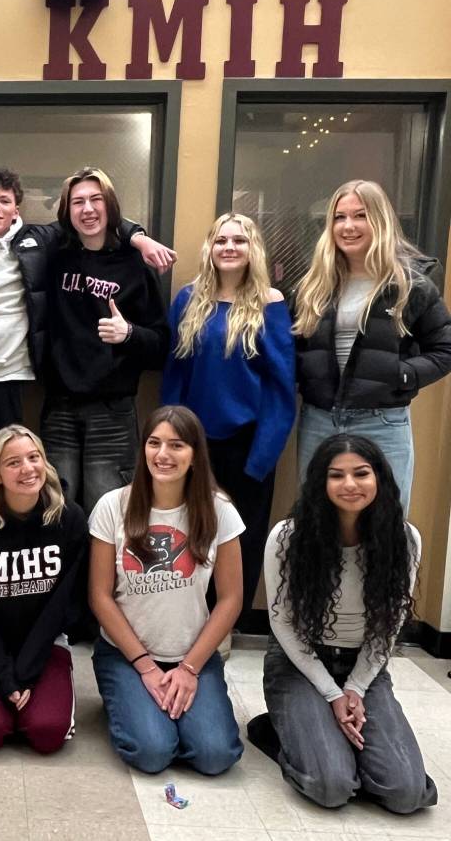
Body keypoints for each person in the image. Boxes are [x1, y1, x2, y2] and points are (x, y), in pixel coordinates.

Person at [0, 166, 167, 592]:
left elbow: (95, 219)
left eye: (5, 200)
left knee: (34, 502)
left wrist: (138, 236)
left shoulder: (38, 243)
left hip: (26, 390)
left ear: (18, 207)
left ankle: (47, 604)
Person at [248, 435, 437, 813]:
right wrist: (332, 695)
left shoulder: (405, 539)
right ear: (321, 482)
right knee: (332, 788)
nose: (350, 484)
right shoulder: (287, 536)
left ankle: (331, 741)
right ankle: (281, 727)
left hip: (363, 668)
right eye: (337, 475)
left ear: (379, 478)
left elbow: (389, 628)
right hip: (299, 664)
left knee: (406, 794)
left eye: (361, 473)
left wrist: (354, 688)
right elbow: (282, 623)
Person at [89, 405, 244, 774]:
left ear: (194, 455)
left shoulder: (219, 509)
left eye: (176, 445)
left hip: (193, 654)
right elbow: (99, 596)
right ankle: (135, 705)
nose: (163, 455)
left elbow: (231, 598)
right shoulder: (113, 506)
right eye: (154, 443)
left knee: (215, 755)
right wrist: (144, 666)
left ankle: (168, 711)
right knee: (153, 753)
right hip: (126, 655)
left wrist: (189, 668)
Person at [162, 213, 295, 632]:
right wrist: (169, 439)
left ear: (252, 248)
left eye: (239, 240)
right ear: (210, 248)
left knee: (241, 538)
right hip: (193, 443)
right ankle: (187, 622)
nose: (230, 247)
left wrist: (263, 456)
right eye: (221, 240)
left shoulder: (269, 304)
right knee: (189, 532)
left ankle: (225, 629)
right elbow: (175, 373)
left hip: (249, 442)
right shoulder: (188, 299)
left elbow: (280, 387)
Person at [293, 179, 451, 511]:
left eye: (360, 216)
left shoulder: (411, 284)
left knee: (387, 529)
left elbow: (445, 349)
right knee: (316, 526)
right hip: (319, 420)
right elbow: (296, 348)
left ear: (379, 220)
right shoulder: (314, 284)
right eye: (339, 217)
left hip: (383, 422)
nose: (348, 226)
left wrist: (400, 374)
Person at [0, 425, 88, 754]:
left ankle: (20, 699)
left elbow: (65, 606)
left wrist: (24, 672)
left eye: (33, 457)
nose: (27, 469)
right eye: (13, 462)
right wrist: (2, 674)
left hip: (43, 642)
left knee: (48, 734)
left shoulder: (69, 519)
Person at [43, 166, 170, 513]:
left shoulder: (134, 263)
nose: (87, 209)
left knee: (107, 516)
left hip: (112, 414)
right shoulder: (54, 258)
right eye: (78, 202)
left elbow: (161, 344)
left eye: (96, 199)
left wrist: (128, 334)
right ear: (67, 212)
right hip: (59, 409)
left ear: (110, 205)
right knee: (58, 513)